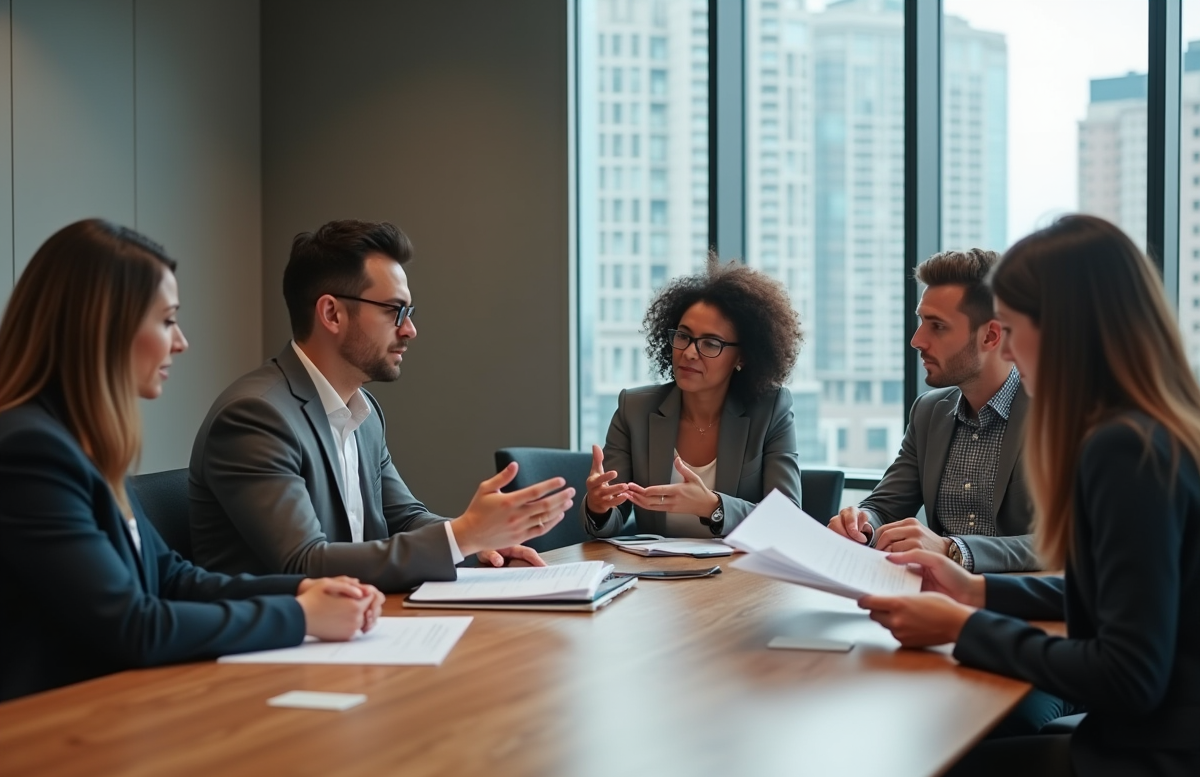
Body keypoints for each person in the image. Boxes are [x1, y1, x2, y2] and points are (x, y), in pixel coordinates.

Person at [860, 215, 1200, 777]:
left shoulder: (1123, 450)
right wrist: (978, 592)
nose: (1009, 350)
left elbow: (1129, 674)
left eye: (1014, 329)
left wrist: (965, 626)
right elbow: (1123, 599)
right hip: (1154, 740)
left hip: (1156, 761)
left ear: (1068, 330)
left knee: (916, 775)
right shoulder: (1154, 429)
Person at [0, 219, 383, 702]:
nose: (180, 342)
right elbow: (133, 625)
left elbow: (173, 579)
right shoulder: (29, 451)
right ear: (102, 327)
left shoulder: (80, 444)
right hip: (46, 733)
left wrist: (304, 590)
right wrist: (302, 617)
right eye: (165, 320)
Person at [189, 220, 573, 592]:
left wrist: (477, 544)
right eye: (394, 310)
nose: (409, 330)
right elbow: (304, 563)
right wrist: (462, 535)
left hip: (355, 629)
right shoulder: (256, 416)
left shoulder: (363, 412)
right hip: (273, 649)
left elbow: (403, 518)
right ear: (332, 314)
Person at [829, 249, 1039, 574]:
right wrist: (862, 522)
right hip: (933, 600)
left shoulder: (1054, 416)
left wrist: (952, 549)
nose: (917, 340)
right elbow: (885, 506)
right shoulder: (928, 412)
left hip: (1019, 606)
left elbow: (1065, 542)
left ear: (991, 335)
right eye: (921, 322)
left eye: (937, 326)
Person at [584, 253, 803, 538]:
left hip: (741, 576)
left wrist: (713, 506)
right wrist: (598, 506)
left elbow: (786, 520)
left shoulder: (771, 410)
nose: (688, 352)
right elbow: (610, 521)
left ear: (743, 357)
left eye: (710, 343)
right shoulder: (634, 409)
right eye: (683, 336)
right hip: (659, 575)